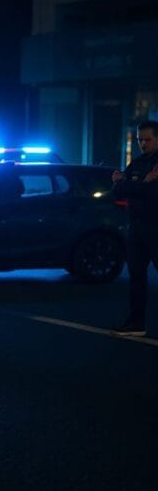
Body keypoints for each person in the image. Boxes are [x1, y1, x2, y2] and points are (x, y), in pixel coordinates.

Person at [111, 120, 158, 336]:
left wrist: (127, 183)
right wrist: (143, 183)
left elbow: (151, 193)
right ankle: (136, 323)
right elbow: (117, 192)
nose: (143, 143)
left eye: (148, 139)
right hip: (136, 228)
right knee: (136, 275)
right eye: (140, 139)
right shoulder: (138, 163)